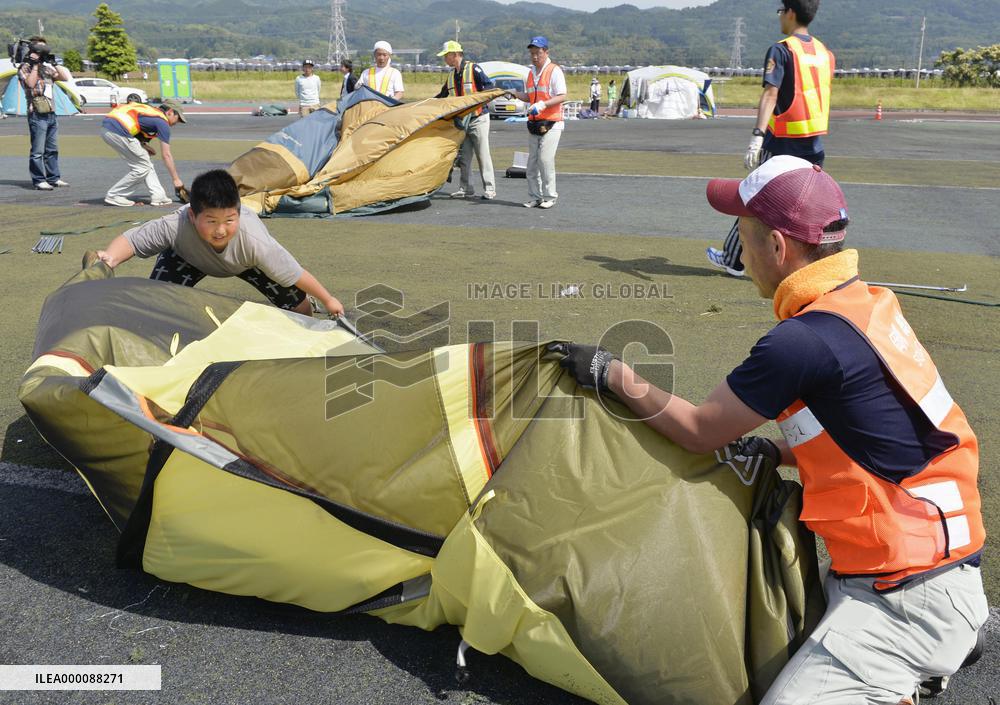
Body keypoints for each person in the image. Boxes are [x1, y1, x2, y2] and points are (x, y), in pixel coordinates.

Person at [551, 156, 987, 705]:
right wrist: (775, 450)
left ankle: (906, 673)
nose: (738, 249)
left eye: (742, 235)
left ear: (777, 247)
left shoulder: (800, 342)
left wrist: (609, 372)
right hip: (935, 564)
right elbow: (877, 434)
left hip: (904, 595)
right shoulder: (866, 306)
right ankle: (931, 649)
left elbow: (699, 430)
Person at [89, 169, 344, 317]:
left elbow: (295, 273)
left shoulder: (254, 241)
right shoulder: (176, 224)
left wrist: (329, 299)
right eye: (211, 221)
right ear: (192, 214)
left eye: (229, 220)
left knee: (298, 307)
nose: (221, 230)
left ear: (238, 212)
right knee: (157, 304)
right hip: (188, 257)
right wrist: (110, 258)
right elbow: (133, 241)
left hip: (246, 263)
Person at [707, 0, 834, 278]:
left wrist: (756, 136)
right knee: (805, 207)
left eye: (781, 11)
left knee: (754, 199)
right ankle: (811, 262)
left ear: (790, 12)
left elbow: (770, 93)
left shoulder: (782, 49)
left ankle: (734, 259)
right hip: (814, 144)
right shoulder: (825, 53)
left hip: (782, 141)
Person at [434, 40, 496, 200]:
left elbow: (489, 87)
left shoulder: (474, 68)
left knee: (483, 154)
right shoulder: (451, 75)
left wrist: (477, 102)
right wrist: (427, 105)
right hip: (461, 122)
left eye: (446, 56)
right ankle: (466, 188)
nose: (444, 59)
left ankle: (490, 189)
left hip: (478, 118)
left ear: (455, 55)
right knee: (464, 156)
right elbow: (442, 96)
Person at [101, 99, 188, 207]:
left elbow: (136, 127)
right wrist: (176, 180)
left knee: (145, 161)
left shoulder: (151, 113)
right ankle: (115, 195)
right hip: (117, 130)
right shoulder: (162, 122)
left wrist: (144, 146)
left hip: (109, 128)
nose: (177, 122)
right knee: (142, 167)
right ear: (170, 112)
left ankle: (158, 195)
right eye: (178, 118)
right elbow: (166, 155)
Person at [513, 36, 566, 209]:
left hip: (552, 122)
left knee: (545, 160)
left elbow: (562, 95)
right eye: (532, 53)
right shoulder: (530, 73)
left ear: (546, 52)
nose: (535, 56)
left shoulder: (554, 70)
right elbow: (529, 96)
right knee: (532, 163)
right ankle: (535, 197)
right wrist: (514, 93)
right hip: (534, 123)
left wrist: (542, 104)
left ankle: (550, 196)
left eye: (538, 53)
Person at [16, 36, 72, 191]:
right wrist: (34, 64)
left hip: (51, 113)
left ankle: (54, 178)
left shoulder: (47, 67)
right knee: (38, 151)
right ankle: (39, 179)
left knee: (52, 149)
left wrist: (53, 62)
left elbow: (64, 77)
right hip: (37, 113)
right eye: (40, 48)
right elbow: (30, 84)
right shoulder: (24, 67)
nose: (43, 51)